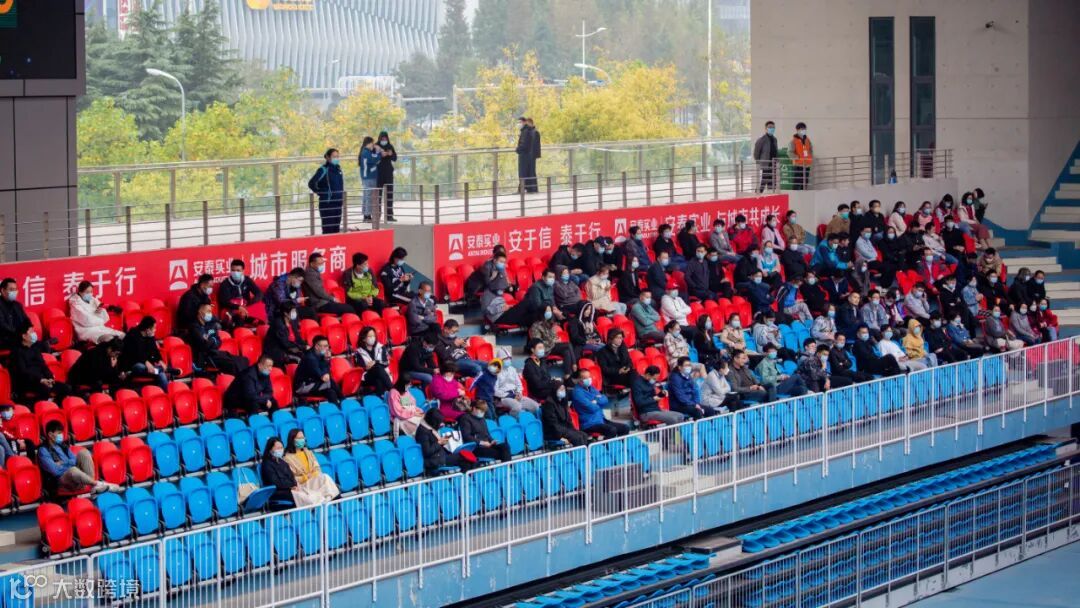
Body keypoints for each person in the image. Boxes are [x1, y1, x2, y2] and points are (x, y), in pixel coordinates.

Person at [38, 421, 120, 495]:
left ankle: (93, 486)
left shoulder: (63, 446)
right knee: (72, 470)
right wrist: (69, 464)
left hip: (74, 476)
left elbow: (74, 460)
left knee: (84, 453)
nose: (61, 436)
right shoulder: (43, 450)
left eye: (61, 433)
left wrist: (63, 463)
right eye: (59, 433)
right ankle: (96, 484)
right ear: (50, 434)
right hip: (61, 481)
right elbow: (55, 471)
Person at [10, 322, 70, 403]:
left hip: (43, 380)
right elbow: (23, 371)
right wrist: (40, 380)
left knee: (66, 388)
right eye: (31, 332)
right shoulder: (17, 352)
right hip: (29, 382)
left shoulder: (35, 348)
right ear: (24, 336)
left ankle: (56, 405)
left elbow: (43, 365)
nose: (34, 334)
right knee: (45, 390)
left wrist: (50, 378)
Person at [187, 303, 248, 375]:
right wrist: (213, 341)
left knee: (243, 360)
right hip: (205, 357)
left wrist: (211, 340)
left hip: (215, 352)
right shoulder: (194, 327)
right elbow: (204, 345)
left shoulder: (211, 324)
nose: (210, 314)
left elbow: (219, 341)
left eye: (211, 311)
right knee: (234, 365)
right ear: (200, 312)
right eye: (208, 311)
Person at [284, 429, 340, 505]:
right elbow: (291, 478)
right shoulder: (287, 458)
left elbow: (317, 467)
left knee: (325, 477)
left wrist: (314, 474)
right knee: (326, 480)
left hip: (313, 479)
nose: (302, 440)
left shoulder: (308, 452)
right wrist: (305, 477)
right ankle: (331, 500)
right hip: (303, 484)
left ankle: (327, 500)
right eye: (299, 438)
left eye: (302, 438)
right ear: (292, 440)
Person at [571, 369, 629, 438]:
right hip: (589, 423)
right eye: (585, 378)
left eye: (589, 377)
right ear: (579, 380)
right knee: (611, 430)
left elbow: (605, 400)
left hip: (601, 419)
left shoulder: (591, 388)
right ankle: (605, 445)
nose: (589, 379)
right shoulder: (577, 393)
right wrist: (599, 402)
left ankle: (619, 445)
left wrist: (595, 401)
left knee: (625, 428)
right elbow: (592, 408)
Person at [119, 316, 170, 389]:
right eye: (154, 328)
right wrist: (146, 362)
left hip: (148, 366)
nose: (155, 330)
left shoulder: (150, 336)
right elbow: (135, 355)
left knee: (161, 374)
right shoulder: (133, 335)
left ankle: (158, 372)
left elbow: (154, 351)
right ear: (147, 329)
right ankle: (160, 370)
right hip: (132, 366)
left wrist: (160, 360)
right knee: (140, 366)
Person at [293, 336, 342, 403]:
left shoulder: (320, 355)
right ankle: (343, 400)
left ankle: (338, 408)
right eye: (324, 346)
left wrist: (326, 359)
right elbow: (323, 377)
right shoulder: (310, 358)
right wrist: (326, 360)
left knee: (331, 392)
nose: (327, 349)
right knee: (330, 382)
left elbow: (326, 372)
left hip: (313, 383)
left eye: (327, 346)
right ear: (316, 347)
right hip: (302, 387)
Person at [217, 260, 263, 329]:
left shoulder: (247, 280)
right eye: (233, 270)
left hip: (246, 308)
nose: (235, 273)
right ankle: (239, 332)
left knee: (260, 315)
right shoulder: (225, 284)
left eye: (238, 270)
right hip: (233, 310)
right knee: (239, 320)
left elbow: (259, 293)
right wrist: (238, 307)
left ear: (243, 271)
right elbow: (224, 302)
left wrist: (250, 305)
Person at [309, 148, 345, 233]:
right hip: (327, 204)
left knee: (336, 230)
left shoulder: (338, 169)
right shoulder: (323, 169)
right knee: (328, 230)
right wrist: (323, 192)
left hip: (338, 203)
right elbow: (311, 183)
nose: (336, 158)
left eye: (337, 156)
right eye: (334, 156)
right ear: (328, 157)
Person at [542, 383, 589, 447]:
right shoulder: (549, 403)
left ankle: (585, 453)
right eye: (560, 389)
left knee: (583, 435)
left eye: (563, 389)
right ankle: (579, 453)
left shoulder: (563, 401)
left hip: (565, 429)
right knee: (577, 437)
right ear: (555, 390)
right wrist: (559, 436)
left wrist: (573, 430)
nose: (563, 391)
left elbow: (568, 419)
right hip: (553, 432)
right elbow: (552, 424)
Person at [263, 301, 306, 368]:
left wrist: (306, 345)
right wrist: (302, 347)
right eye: (293, 311)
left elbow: (298, 338)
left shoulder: (292, 322)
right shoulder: (278, 324)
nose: (295, 313)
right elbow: (285, 343)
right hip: (277, 352)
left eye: (295, 311)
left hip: (289, 348)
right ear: (285, 313)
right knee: (301, 359)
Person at [260, 437, 298, 509]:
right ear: (270, 450)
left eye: (281, 447)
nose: (280, 450)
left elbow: (291, 476)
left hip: (289, 489)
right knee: (300, 495)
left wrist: (294, 485)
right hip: (276, 492)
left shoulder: (283, 462)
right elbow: (275, 482)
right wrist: (290, 487)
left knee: (305, 491)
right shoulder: (267, 464)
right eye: (277, 448)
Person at [355, 326, 393, 394]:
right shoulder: (358, 352)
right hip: (367, 376)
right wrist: (366, 368)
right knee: (378, 369)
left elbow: (386, 363)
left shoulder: (381, 347)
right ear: (363, 339)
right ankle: (394, 391)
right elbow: (359, 368)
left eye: (374, 336)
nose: (373, 338)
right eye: (370, 336)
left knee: (379, 380)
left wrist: (376, 362)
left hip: (381, 374)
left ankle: (382, 396)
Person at [0, 278, 30, 351]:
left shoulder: (17, 305)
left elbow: (26, 320)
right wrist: (20, 334)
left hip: (17, 337)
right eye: (11, 290)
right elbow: (2, 325)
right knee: (25, 344)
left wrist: (29, 329)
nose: (14, 292)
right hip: (3, 338)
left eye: (15, 289)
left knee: (32, 342)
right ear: (3, 291)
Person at [375, 131, 398, 221]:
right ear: (379, 138)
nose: (384, 140)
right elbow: (373, 158)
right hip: (379, 173)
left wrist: (391, 154)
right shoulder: (376, 146)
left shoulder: (390, 146)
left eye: (385, 139)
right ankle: (377, 215)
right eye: (382, 139)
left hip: (388, 173)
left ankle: (389, 215)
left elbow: (395, 158)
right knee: (378, 195)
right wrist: (380, 155)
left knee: (389, 194)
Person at [359, 137, 382, 222]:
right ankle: (367, 215)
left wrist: (377, 154)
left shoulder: (366, 152)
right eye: (372, 143)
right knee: (369, 196)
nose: (373, 145)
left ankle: (366, 214)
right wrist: (379, 152)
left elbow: (374, 159)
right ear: (368, 143)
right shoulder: (366, 152)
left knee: (367, 196)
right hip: (369, 177)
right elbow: (375, 159)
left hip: (367, 177)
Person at [753, 120, 779, 192]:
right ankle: (757, 195)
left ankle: (771, 195)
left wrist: (777, 160)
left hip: (773, 165)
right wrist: (759, 162)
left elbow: (776, 151)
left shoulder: (774, 139)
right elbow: (756, 153)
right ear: (766, 128)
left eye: (773, 127)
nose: (772, 129)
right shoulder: (761, 139)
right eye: (770, 127)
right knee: (763, 182)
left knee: (772, 183)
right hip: (765, 165)